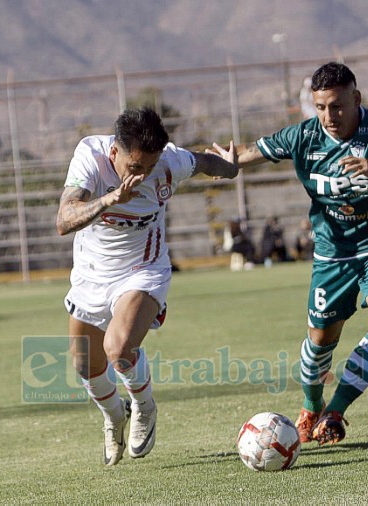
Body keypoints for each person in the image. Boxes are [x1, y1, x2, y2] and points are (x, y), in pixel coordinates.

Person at [211, 62, 368, 446]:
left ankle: (335, 411)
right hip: (333, 254)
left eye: (336, 106)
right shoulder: (303, 136)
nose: (328, 116)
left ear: (356, 98)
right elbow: (252, 152)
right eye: (320, 107)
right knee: (319, 343)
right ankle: (310, 407)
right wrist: (223, 161)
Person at [56, 108, 238, 466]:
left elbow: (203, 162)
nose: (143, 176)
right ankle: (114, 416)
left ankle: (144, 406)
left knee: (119, 348)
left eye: (149, 168)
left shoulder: (168, 161)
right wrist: (108, 200)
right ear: (114, 154)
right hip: (92, 273)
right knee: (84, 365)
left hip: (143, 269)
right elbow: (64, 219)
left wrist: (230, 167)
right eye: (134, 168)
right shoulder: (90, 157)